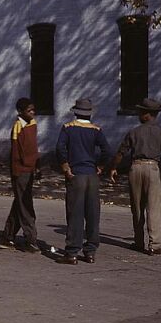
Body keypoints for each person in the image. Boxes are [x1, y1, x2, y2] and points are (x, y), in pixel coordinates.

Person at [108, 98, 161, 255]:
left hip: (135, 168)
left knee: (137, 207)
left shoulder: (133, 132)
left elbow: (120, 153)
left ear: (147, 115)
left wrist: (113, 168)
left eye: (140, 112)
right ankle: (155, 245)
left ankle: (139, 242)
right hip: (152, 168)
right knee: (153, 207)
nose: (138, 114)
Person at [55, 98, 110, 265]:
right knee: (93, 214)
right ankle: (90, 251)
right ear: (90, 114)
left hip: (76, 174)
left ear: (75, 112)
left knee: (75, 214)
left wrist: (65, 166)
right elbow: (107, 150)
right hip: (91, 175)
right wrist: (100, 166)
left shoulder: (68, 128)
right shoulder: (96, 130)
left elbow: (60, 148)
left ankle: (72, 252)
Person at [0, 98, 41, 253]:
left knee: (20, 203)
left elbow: (34, 147)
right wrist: (16, 174)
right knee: (26, 206)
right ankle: (31, 240)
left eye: (33, 110)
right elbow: (16, 153)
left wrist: (37, 165)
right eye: (29, 110)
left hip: (30, 170)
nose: (33, 113)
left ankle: (7, 237)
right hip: (21, 171)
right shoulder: (18, 126)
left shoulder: (32, 124)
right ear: (21, 112)